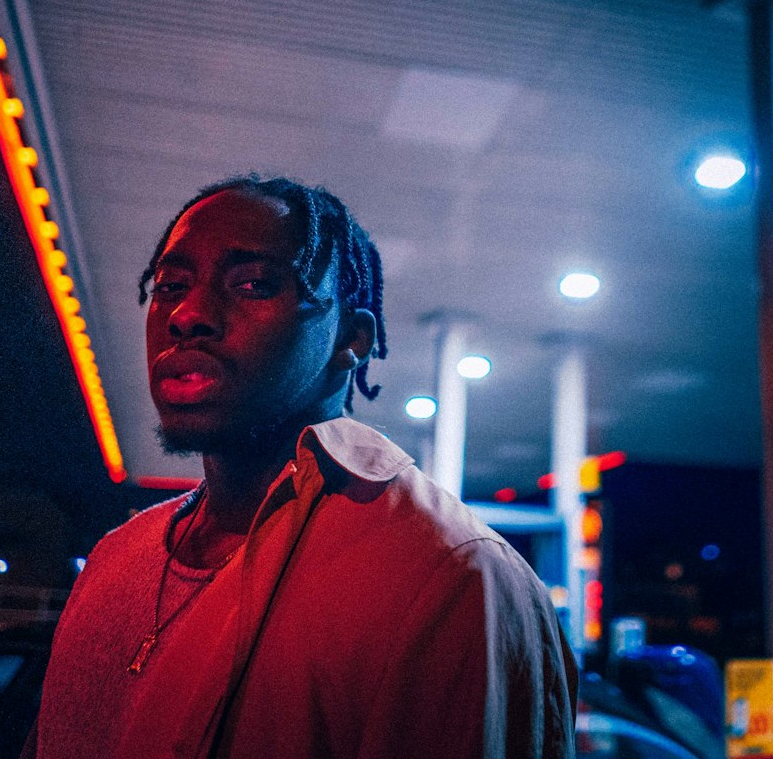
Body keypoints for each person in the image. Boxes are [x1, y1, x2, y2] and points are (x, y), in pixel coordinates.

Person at [31, 174, 577, 758]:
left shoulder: (452, 577)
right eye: (169, 284)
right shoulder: (116, 556)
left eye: (252, 284)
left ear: (352, 339)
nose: (187, 314)